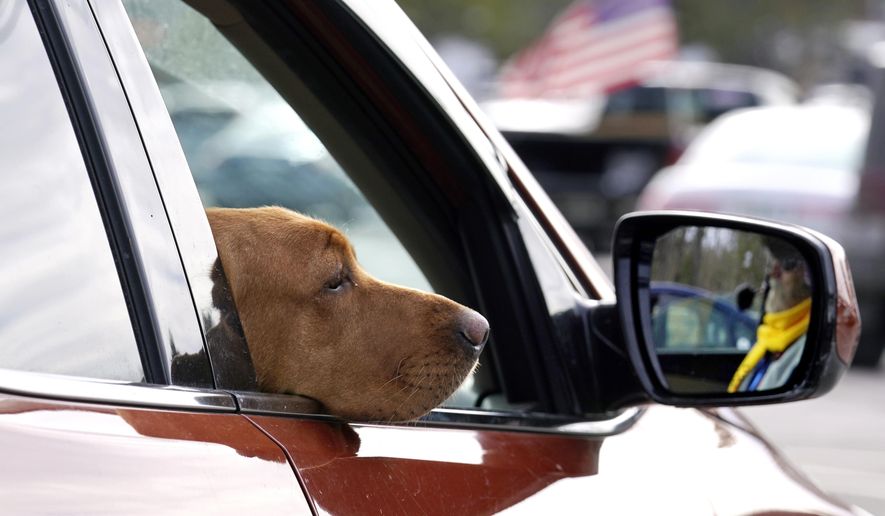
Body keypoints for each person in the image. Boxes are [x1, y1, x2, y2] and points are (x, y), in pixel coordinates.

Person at [727, 239, 812, 392]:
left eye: (788, 263)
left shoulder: (807, 348)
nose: (773, 273)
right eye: (772, 264)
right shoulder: (768, 337)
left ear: (810, 279)